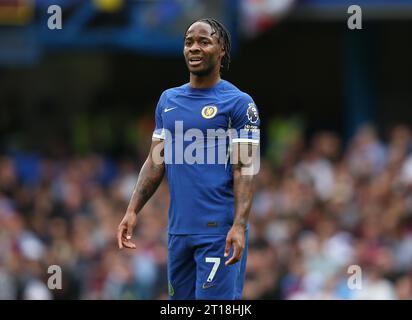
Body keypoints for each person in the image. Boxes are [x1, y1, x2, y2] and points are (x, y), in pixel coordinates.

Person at [117, 18, 260, 300]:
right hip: (178, 233)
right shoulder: (168, 100)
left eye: (204, 41)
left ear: (221, 51)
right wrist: (132, 210)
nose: (194, 48)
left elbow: (245, 168)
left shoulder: (239, 104)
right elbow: (156, 161)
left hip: (218, 232)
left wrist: (239, 225)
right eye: (189, 42)